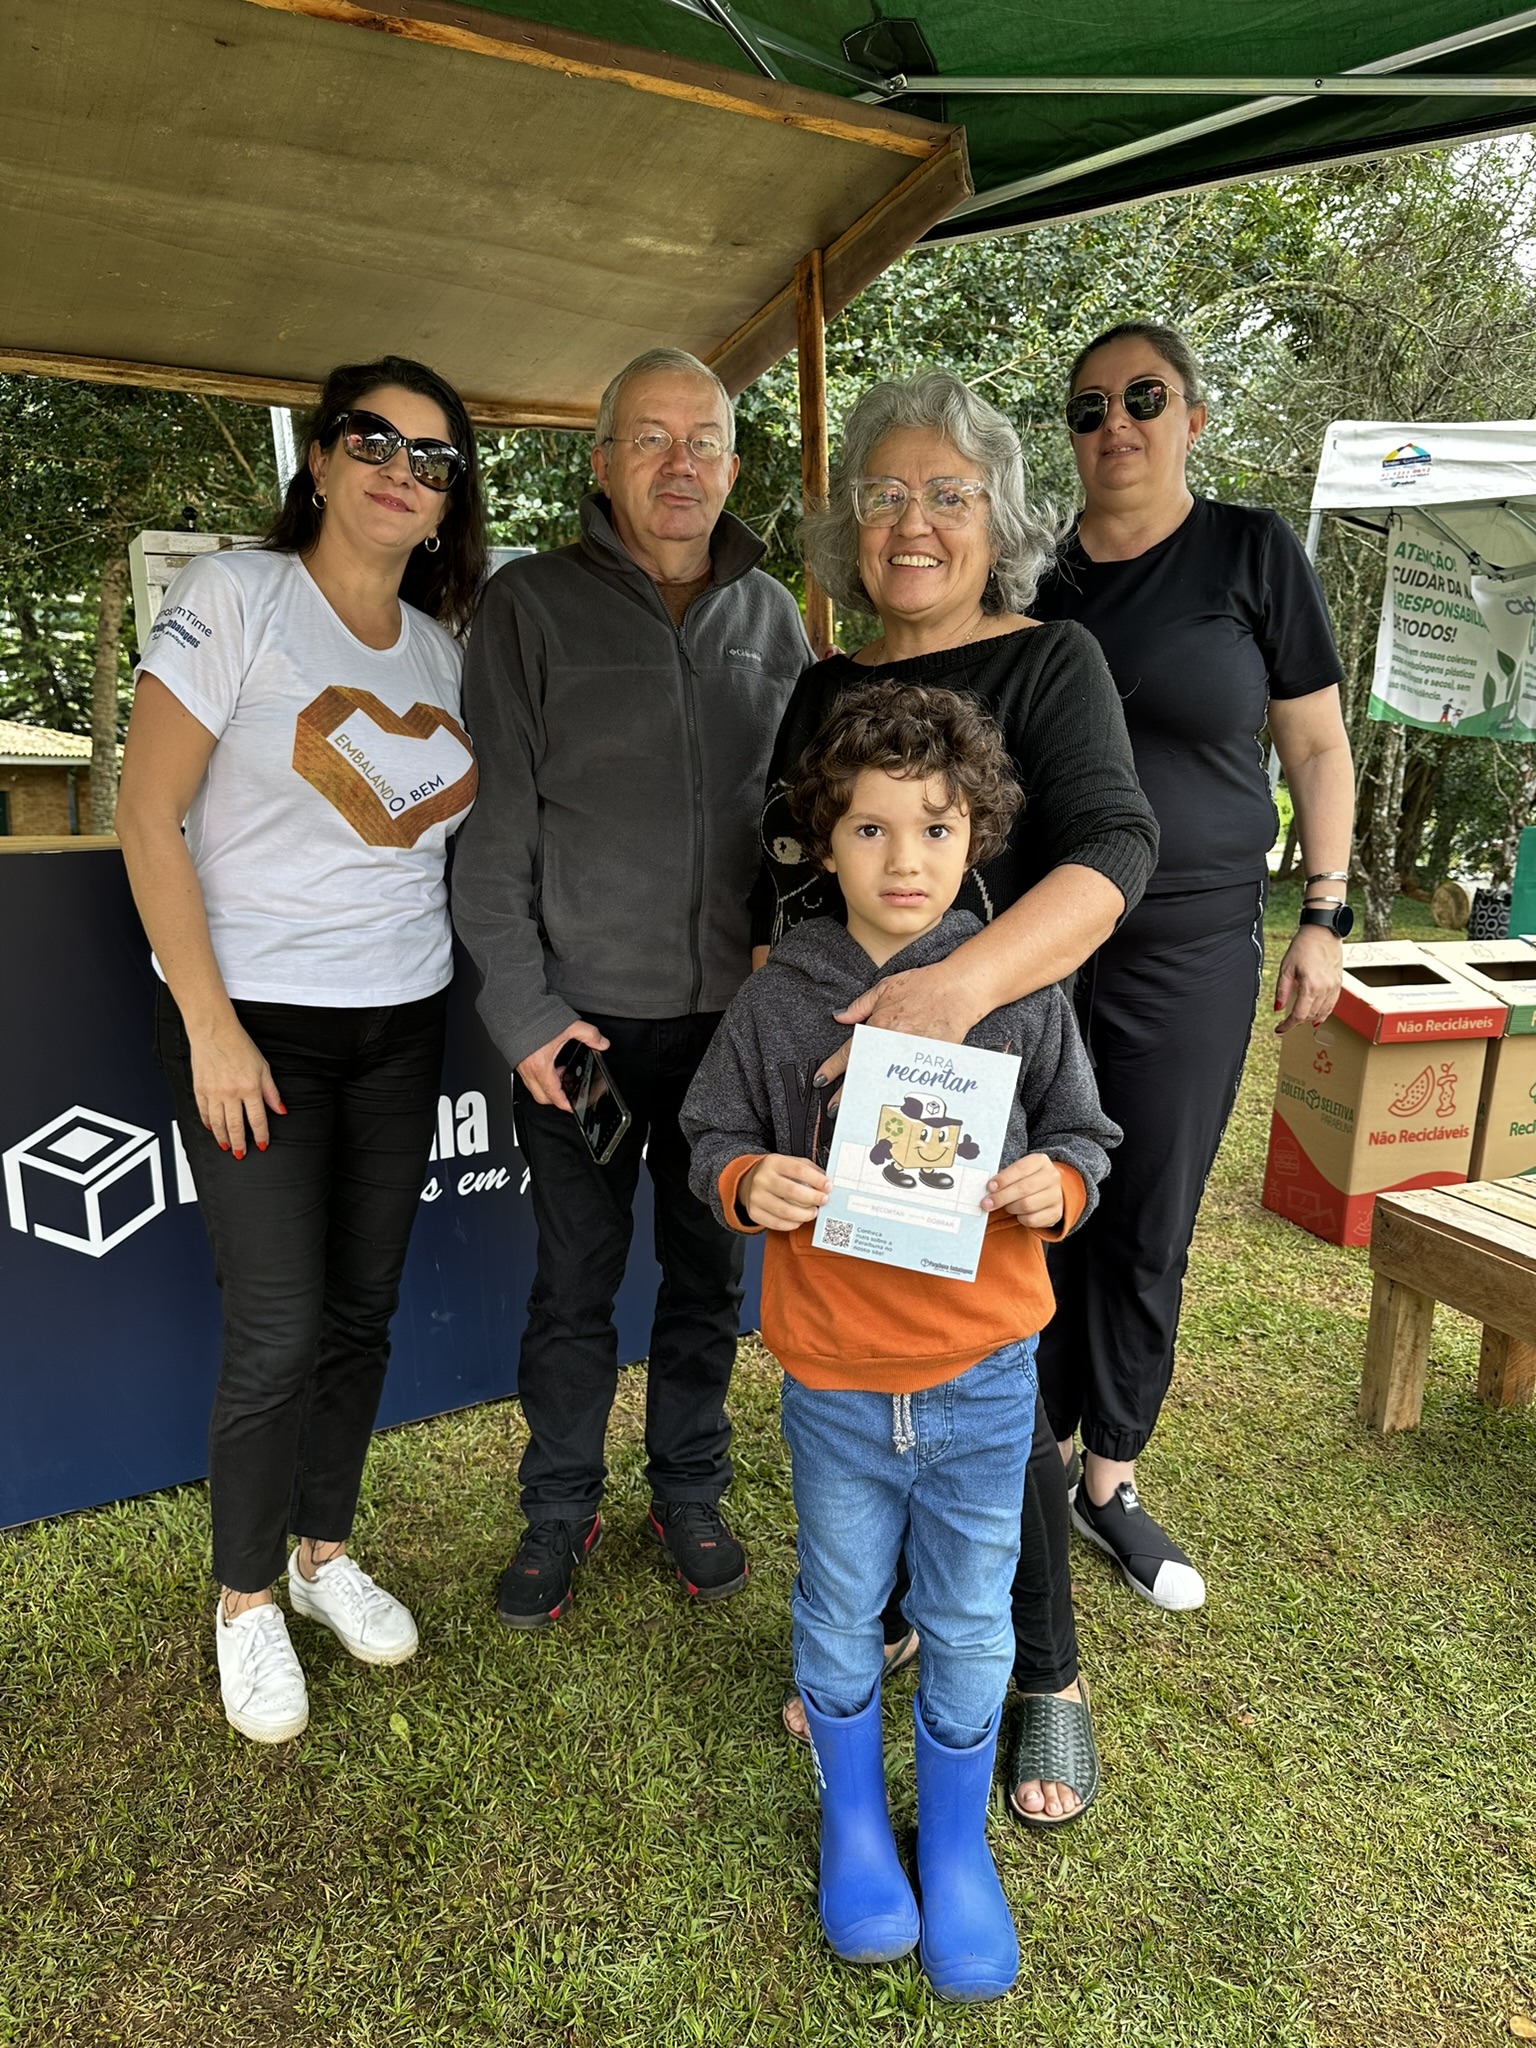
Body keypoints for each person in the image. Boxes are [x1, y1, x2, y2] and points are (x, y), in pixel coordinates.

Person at [755, 370, 1158, 1828]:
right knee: (872, 1369)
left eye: (946, 493)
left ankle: (1047, 1677)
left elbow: (1117, 850)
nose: (911, 522)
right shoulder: (823, 685)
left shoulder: (1052, 663)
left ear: (999, 516)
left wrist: (949, 992)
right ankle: (882, 1620)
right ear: (844, 528)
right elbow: (784, 882)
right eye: (881, 495)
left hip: (999, 1090)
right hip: (842, 1097)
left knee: (995, 1378)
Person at [682, 684, 1119, 1999]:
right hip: (836, 1385)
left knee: (973, 1621)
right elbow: (710, 1132)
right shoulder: (781, 1005)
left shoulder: (1021, 992)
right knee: (836, 1604)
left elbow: (1085, 1135)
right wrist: (749, 1180)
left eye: (935, 828)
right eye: (870, 832)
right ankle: (857, 1822)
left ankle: (961, 1846)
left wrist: (1058, 1186)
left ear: (979, 836)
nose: (905, 859)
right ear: (826, 847)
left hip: (988, 1380)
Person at [115, 356, 486, 1742]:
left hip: (402, 1021)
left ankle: (323, 1555)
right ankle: (245, 1603)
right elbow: (149, 816)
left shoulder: (448, 654)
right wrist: (209, 1027)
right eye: (374, 438)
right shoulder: (234, 598)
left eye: (433, 457)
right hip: (250, 1022)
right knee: (275, 1325)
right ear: (321, 461)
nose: (402, 467)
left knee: (361, 1311)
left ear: (450, 503)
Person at [451, 347, 812, 1629]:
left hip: (729, 1036)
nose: (679, 463)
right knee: (576, 1279)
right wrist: (530, 1018)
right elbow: (488, 838)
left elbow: (806, 831)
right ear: (599, 461)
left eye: (703, 439)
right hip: (584, 1037)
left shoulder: (778, 618)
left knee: (711, 1273)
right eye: (648, 437)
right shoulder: (529, 608)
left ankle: (690, 1487)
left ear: (732, 461)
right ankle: (559, 1505)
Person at [1029, 319, 1353, 1610]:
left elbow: (1318, 751)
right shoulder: (1036, 573)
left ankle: (1109, 1478)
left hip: (1197, 941)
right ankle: (1037, 1463)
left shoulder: (1251, 551)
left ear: (1193, 418)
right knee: (1044, 1203)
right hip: (1043, 947)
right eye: (1090, 405)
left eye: (1144, 398)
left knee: (1149, 1210)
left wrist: (1324, 914)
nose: (1116, 424)